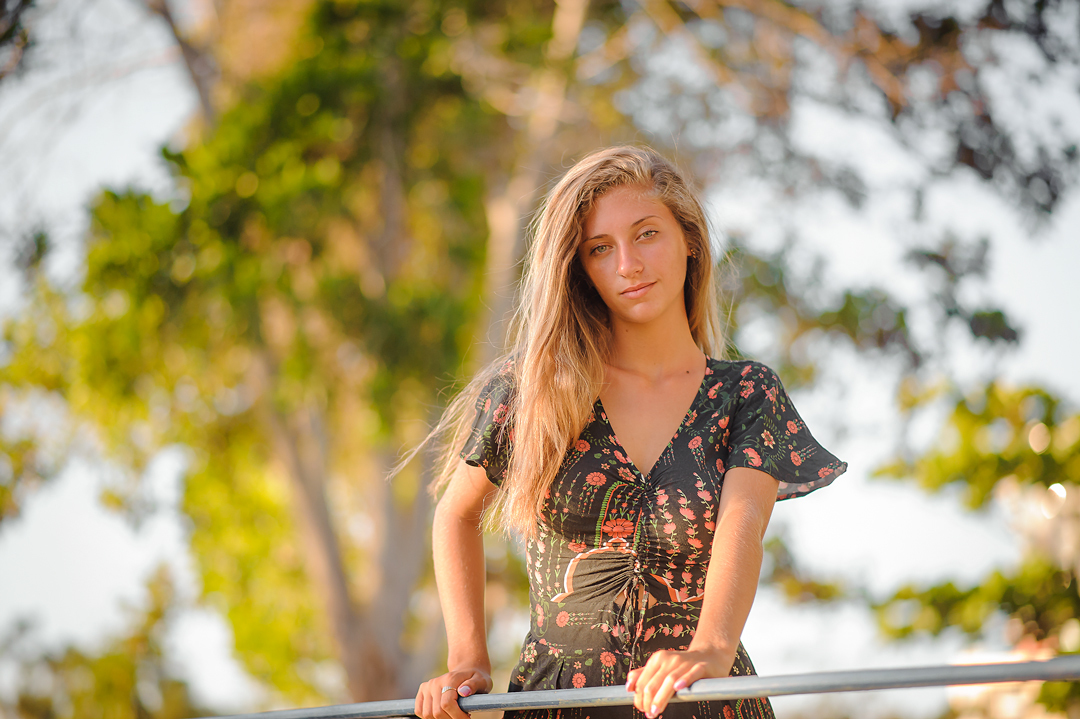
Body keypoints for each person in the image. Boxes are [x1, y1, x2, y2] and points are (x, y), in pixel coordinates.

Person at [413, 146, 845, 719]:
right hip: (561, 703)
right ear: (580, 267)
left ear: (689, 238)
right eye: (600, 249)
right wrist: (467, 658)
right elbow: (457, 513)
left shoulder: (745, 394)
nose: (628, 265)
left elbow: (745, 525)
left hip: (702, 700)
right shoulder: (532, 390)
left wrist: (710, 651)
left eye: (646, 235)